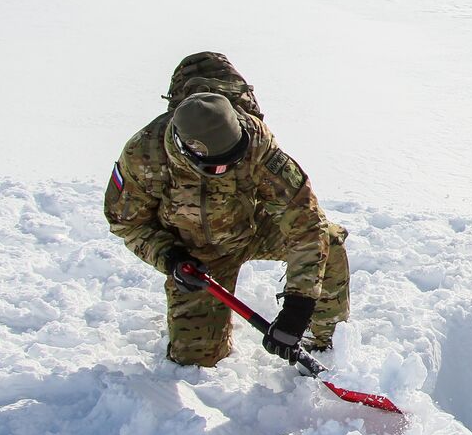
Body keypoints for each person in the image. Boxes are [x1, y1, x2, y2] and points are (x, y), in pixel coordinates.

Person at [104, 55, 349, 367]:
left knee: (329, 241)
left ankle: (326, 346)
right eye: (218, 166)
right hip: (197, 255)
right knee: (196, 361)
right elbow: (126, 223)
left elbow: (304, 220)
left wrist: (298, 306)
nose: (229, 168)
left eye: (236, 158)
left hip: (256, 227)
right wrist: (171, 259)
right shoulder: (144, 155)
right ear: (185, 150)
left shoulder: (257, 140)